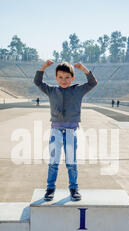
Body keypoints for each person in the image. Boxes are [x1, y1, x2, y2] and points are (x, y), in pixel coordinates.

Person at [34, 60, 97, 202]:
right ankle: (50, 188)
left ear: (72, 78)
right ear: (56, 78)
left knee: (71, 162)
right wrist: (44, 67)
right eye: (60, 77)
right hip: (55, 131)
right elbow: (38, 82)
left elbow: (93, 83)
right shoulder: (51, 90)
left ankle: (74, 188)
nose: (64, 80)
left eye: (67, 77)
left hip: (71, 132)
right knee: (53, 162)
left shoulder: (78, 90)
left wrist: (83, 69)